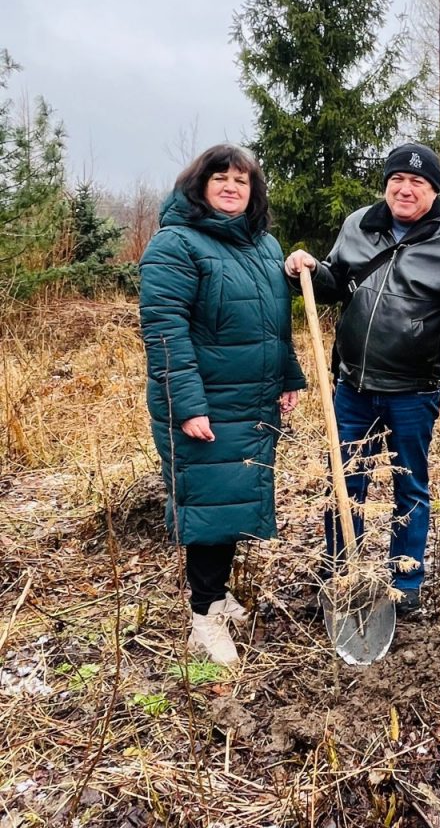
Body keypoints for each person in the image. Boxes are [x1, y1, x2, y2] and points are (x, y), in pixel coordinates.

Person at [284, 143, 440, 618]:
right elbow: (335, 283)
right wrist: (306, 271)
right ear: (387, 183)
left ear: (434, 191)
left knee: (408, 486)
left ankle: (404, 583)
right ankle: (338, 574)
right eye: (397, 179)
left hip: (414, 391)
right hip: (352, 387)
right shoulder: (358, 225)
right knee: (344, 482)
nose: (405, 188)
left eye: (418, 182)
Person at [139, 144, 306, 666]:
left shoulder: (262, 246)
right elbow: (164, 333)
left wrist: (288, 375)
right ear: (200, 185)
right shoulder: (176, 244)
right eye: (221, 179)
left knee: (233, 499)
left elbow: (273, 324)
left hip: (250, 400)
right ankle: (203, 616)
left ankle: (217, 594)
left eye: (243, 180)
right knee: (212, 503)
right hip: (204, 402)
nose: (233, 187)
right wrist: (188, 405)